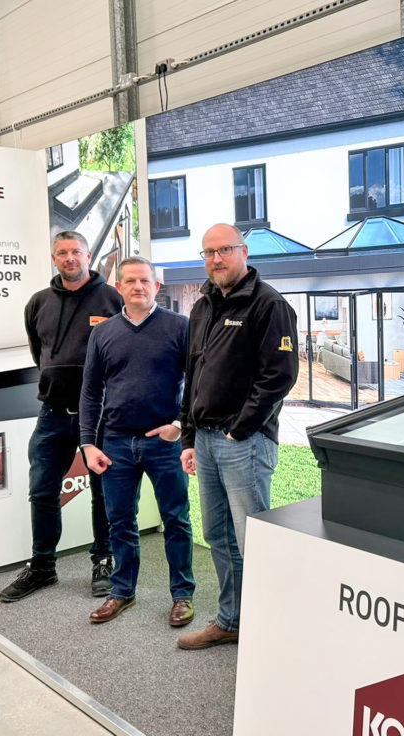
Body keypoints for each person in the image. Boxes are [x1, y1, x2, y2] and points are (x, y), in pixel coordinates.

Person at [176, 223, 298, 650]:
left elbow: (279, 376)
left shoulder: (268, 305)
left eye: (224, 250)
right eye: (208, 253)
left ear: (243, 252)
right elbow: (194, 377)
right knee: (218, 535)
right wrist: (189, 437)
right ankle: (231, 620)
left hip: (242, 441)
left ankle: (270, 626)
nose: (215, 260)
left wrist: (240, 428)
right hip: (207, 441)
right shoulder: (203, 307)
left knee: (253, 538)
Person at [0, 231, 121, 602]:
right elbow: (42, 355)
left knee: (103, 493)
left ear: (88, 256)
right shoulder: (38, 303)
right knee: (42, 490)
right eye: (62, 253)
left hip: (99, 415)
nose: (70, 258)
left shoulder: (110, 297)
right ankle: (42, 566)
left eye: (76, 252)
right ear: (54, 258)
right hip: (53, 414)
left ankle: (103, 560)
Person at [80, 256, 196, 627]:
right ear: (119, 288)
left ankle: (182, 595)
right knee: (120, 522)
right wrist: (87, 443)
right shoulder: (103, 333)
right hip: (115, 443)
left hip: (164, 443)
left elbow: (197, 382)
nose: (138, 287)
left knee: (176, 520)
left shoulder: (180, 327)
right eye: (130, 281)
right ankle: (122, 592)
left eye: (145, 281)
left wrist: (180, 424)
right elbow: (90, 393)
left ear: (156, 286)